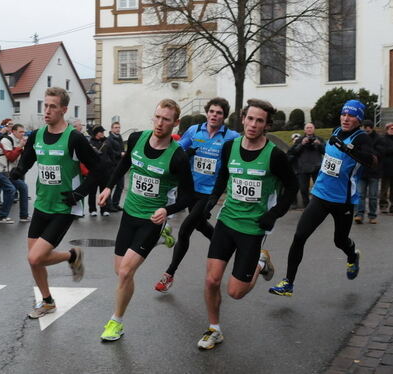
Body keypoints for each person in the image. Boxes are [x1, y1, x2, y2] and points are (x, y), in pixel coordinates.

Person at [195, 99, 296, 350]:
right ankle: (214, 329)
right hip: (227, 221)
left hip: (253, 228)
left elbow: (292, 187)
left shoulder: (274, 155)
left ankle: (261, 261)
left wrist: (274, 214)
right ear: (243, 119)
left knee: (235, 292)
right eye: (250, 119)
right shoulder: (229, 147)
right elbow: (223, 177)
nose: (253, 124)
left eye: (259, 121)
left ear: (266, 125)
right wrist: (210, 202)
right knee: (211, 280)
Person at [96, 99, 194, 342]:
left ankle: (116, 322)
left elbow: (188, 195)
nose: (160, 123)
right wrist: (108, 188)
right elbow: (124, 164)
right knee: (119, 270)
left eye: (166, 119)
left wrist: (167, 209)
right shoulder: (138, 138)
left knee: (126, 272)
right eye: (157, 117)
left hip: (152, 220)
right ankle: (163, 237)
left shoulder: (177, 157)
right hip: (129, 214)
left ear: (175, 123)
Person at [9, 87, 101, 319]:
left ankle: (72, 255)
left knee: (34, 257)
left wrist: (79, 194)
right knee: (35, 262)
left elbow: (100, 170)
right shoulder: (38, 135)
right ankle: (48, 301)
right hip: (42, 203)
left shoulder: (74, 138)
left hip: (64, 206)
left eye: (52, 106)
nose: (46, 111)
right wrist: (19, 171)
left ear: (63, 110)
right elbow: (29, 158)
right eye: (45, 105)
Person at [269, 100, 377, 297]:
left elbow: (372, 161)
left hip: (343, 200)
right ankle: (288, 283)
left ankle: (352, 255)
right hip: (320, 195)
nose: (345, 118)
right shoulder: (336, 131)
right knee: (299, 236)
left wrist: (348, 149)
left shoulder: (361, 138)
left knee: (340, 240)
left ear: (359, 119)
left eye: (351, 115)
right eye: (344, 114)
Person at [154, 97, 240, 293]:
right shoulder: (194, 131)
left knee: (185, 230)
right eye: (211, 111)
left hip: (208, 194)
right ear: (207, 112)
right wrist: (186, 153)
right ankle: (226, 246)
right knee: (201, 226)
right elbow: (178, 149)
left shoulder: (231, 136)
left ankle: (169, 273)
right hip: (189, 189)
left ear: (223, 116)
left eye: (218, 113)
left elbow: (244, 152)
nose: (214, 115)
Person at [0, 123, 29, 223]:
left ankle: (24, 216)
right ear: (13, 131)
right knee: (10, 189)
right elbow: (11, 157)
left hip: (7, 171)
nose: (22, 134)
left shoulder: (19, 141)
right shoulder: (6, 140)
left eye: (24, 132)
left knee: (23, 187)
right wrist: (20, 146)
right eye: (20, 132)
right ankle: (2, 217)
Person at [288, 123, 324, 208]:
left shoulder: (319, 139)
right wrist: (302, 144)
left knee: (318, 189)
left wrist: (319, 144)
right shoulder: (299, 140)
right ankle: (306, 207)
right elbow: (293, 152)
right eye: (307, 128)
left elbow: (325, 152)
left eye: (311, 127)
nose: (309, 129)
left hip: (316, 167)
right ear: (304, 130)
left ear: (314, 129)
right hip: (303, 168)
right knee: (303, 189)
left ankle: (318, 206)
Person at [354, 120, 382, 224]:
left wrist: (367, 152)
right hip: (361, 171)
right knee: (360, 195)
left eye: (369, 127)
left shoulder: (378, 139)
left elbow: (381, 153)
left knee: (373, 196)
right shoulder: (359, 138)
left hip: (374, 172)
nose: (367, 129)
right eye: (365, 127)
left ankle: (372, 216)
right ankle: (359, 215)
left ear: (372, 127)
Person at [87, 126, 113, 217]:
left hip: (105, 171)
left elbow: (111, 154)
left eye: (103, 131)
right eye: (100, 132)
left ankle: (104, 209)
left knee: (103, 191)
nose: (102, 133)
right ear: (96, 133)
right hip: (94, 171)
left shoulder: (107, 142)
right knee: (92, 192)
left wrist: (110, 165)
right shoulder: (90, 143)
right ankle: (92, 209)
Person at [378, 122, 393, 214]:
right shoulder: (383, 139)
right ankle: (383, 206)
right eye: (392, 128)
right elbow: (384, 151)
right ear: (387, 130)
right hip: (386, 168)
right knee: (384, 189)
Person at [107, 121, 125, 212]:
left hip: (120, 165)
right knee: (110, 186)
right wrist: (119, 154)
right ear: (112, 129)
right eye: (116, 127)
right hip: (112, 166)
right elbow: (110, 152)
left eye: (119, 127)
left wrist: (124, 153)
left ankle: (115, 203)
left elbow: (122, 149)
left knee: (120, 186)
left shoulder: (120, 137)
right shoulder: (109, 139)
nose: (118, 129)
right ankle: (109, 205)